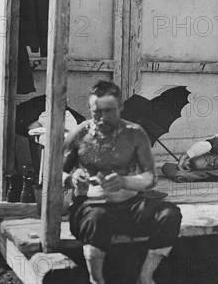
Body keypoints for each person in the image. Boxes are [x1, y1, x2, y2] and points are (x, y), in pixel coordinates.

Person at [63, 81, 182, 284]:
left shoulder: (135, 134)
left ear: (120, 108)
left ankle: (145, 277)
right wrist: (72, 179)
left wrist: (125, 182)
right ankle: (96, 279)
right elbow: (56, 172)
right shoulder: (80, 133)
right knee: (97, 219)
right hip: (90, 206)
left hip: (129, 205)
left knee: (169, 214)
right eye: (96, 112)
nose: (101, 118)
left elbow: (149, 178)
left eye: (108, 111)